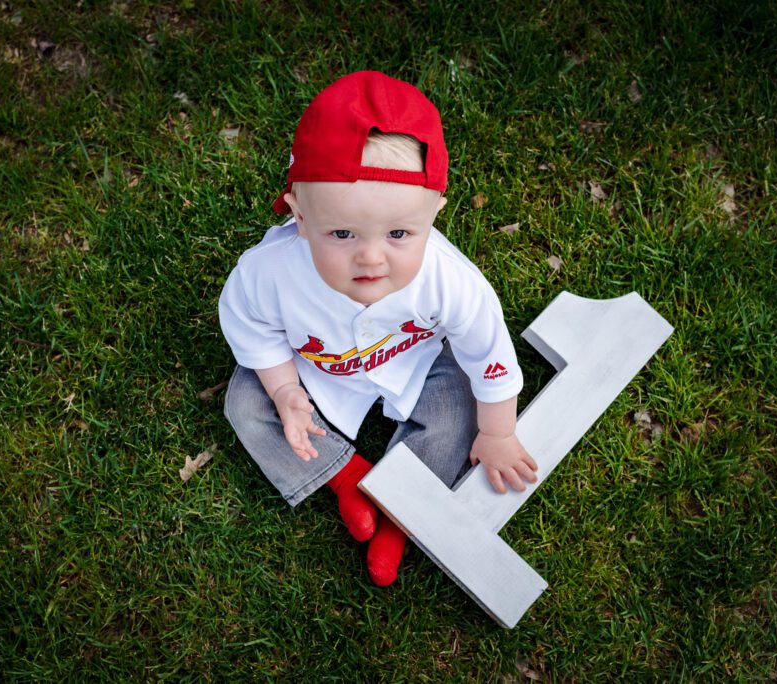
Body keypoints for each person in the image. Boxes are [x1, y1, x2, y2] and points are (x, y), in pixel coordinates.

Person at [219, 70, 538, 586]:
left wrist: (497, 431)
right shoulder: (267, 274)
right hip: (315, 365)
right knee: (246, 402)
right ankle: (348, 477)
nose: (371, 256)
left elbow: (487, 352)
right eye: (341, 232)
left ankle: (401, 511)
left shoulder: (449, 281)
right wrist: (283, 389)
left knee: (458, 404)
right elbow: (249, 326)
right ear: (299, 215)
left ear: (434, 213)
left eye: (399, 234)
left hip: (417, 359)